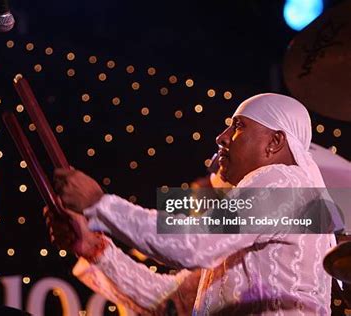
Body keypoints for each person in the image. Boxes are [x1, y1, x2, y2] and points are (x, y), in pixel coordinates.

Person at [49, 93, 337, 315]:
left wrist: (100, 204)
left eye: (238, 126)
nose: (221, 138)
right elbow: (171, 301)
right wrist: (96, 250)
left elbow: (193, 241)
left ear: (275, 142)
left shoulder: (286, 183)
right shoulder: (260, 218)